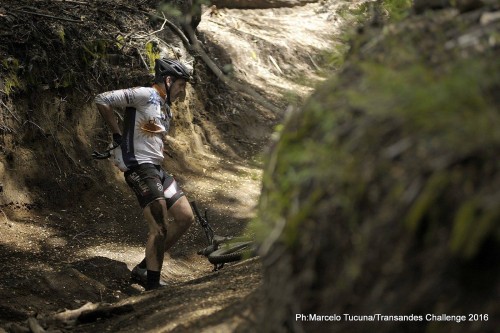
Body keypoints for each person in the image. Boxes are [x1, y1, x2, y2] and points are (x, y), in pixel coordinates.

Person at [94, 58, 195, 290]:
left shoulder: (164, 106)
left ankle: (143, 268)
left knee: (185, 216)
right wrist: (118, 135)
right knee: (160, 226)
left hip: (156, 168)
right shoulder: (144, 94)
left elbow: (147, 130)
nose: (182, 93)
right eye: (181, 85)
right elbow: (102, 99)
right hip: (140, 167)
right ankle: (152, 285)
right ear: (168, 80)